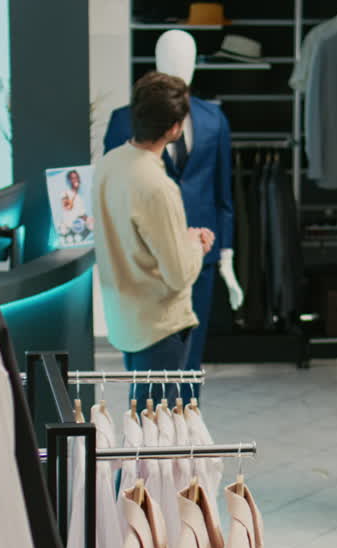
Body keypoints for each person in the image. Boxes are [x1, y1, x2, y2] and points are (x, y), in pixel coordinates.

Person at [93, 71, 214, 402]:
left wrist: (178, 239)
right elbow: (178, 275)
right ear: (174, 128)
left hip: (126, 318)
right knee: (158, 423)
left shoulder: (109, 164)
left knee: (143, 415)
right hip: (159, 324)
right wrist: (195, 245)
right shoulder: (157, 186)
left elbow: (129, 237)